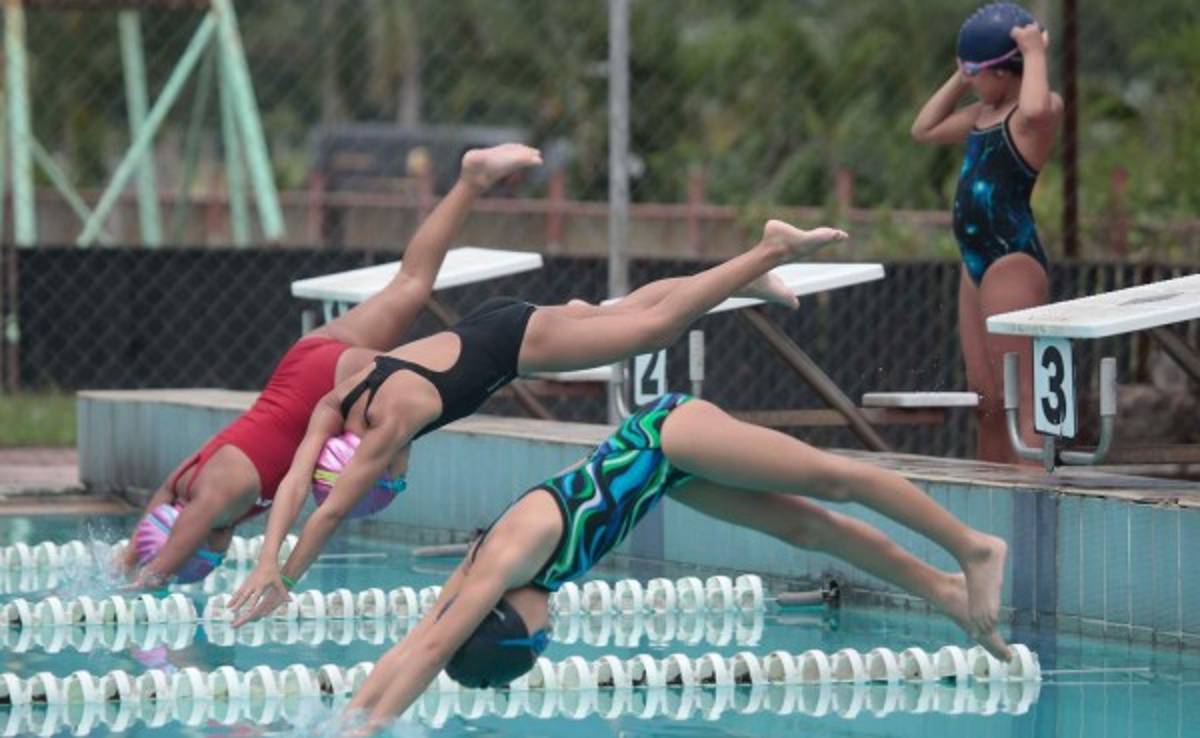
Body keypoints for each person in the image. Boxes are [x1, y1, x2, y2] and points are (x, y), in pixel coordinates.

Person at [228, 221, 849, 623]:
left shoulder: (392, 422)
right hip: (492, 322)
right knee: (620, 313)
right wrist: (266, 559)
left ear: (370, 460)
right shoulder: (338, 400)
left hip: (516, 345)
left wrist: (286, 576)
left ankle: (768, 248)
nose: (402, 469)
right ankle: (750, 278)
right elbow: (295, 481)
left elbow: (329, 511)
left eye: (393, 477)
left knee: (652, 329)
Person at [343, 392, 1011, 730]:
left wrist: (368, 734)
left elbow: (436, 647)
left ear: (507, 620)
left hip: (666, 437)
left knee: (831, 479)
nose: (550, 632)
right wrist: (352, 718)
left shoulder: (511, 557)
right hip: (669, 475)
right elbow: (418, 640)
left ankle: (971, 547)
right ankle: (944, 589)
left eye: (537, 638)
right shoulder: (501, 577)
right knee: (808, 529)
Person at [120, 144, 545, 588]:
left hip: (322, 388)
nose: (219, 554)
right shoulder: (188, 483)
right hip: (304, 364)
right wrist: (131, 552)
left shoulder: (219, 495)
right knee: (410, 284)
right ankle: (472, 179)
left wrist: (148, 579)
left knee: (457, 367)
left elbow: (189, 529)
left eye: (208, 555)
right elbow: (165, 499)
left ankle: (541, 324)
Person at [911, 2, 1062, 463]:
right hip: (974, 260)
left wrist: (1034, 53)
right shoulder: (980, 115)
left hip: (1010, 259)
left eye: (979, 73)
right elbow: (924, 128)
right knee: (987, 398)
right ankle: (994, 493)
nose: (973, 82)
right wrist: (961, 77)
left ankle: (1032, 494)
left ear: (1004, 71)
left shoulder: (1036, 115)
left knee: (1022, 393)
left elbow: (1034, 104)